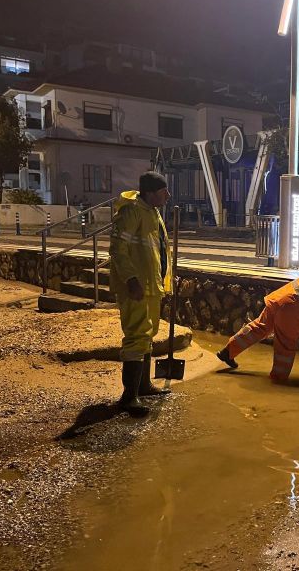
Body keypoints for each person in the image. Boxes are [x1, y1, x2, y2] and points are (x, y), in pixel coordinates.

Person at [109, 172, 172, 416]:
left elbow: (159, 251)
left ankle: (143, 386)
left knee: (148, 334)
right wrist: (131, 280)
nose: (168, 195)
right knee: (136, 335)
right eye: (163, 191)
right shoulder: (131, 211)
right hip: (137, 286)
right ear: (150, 193)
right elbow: (117, 249)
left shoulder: (152, 211)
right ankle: (129, 396)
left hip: (151, 284)